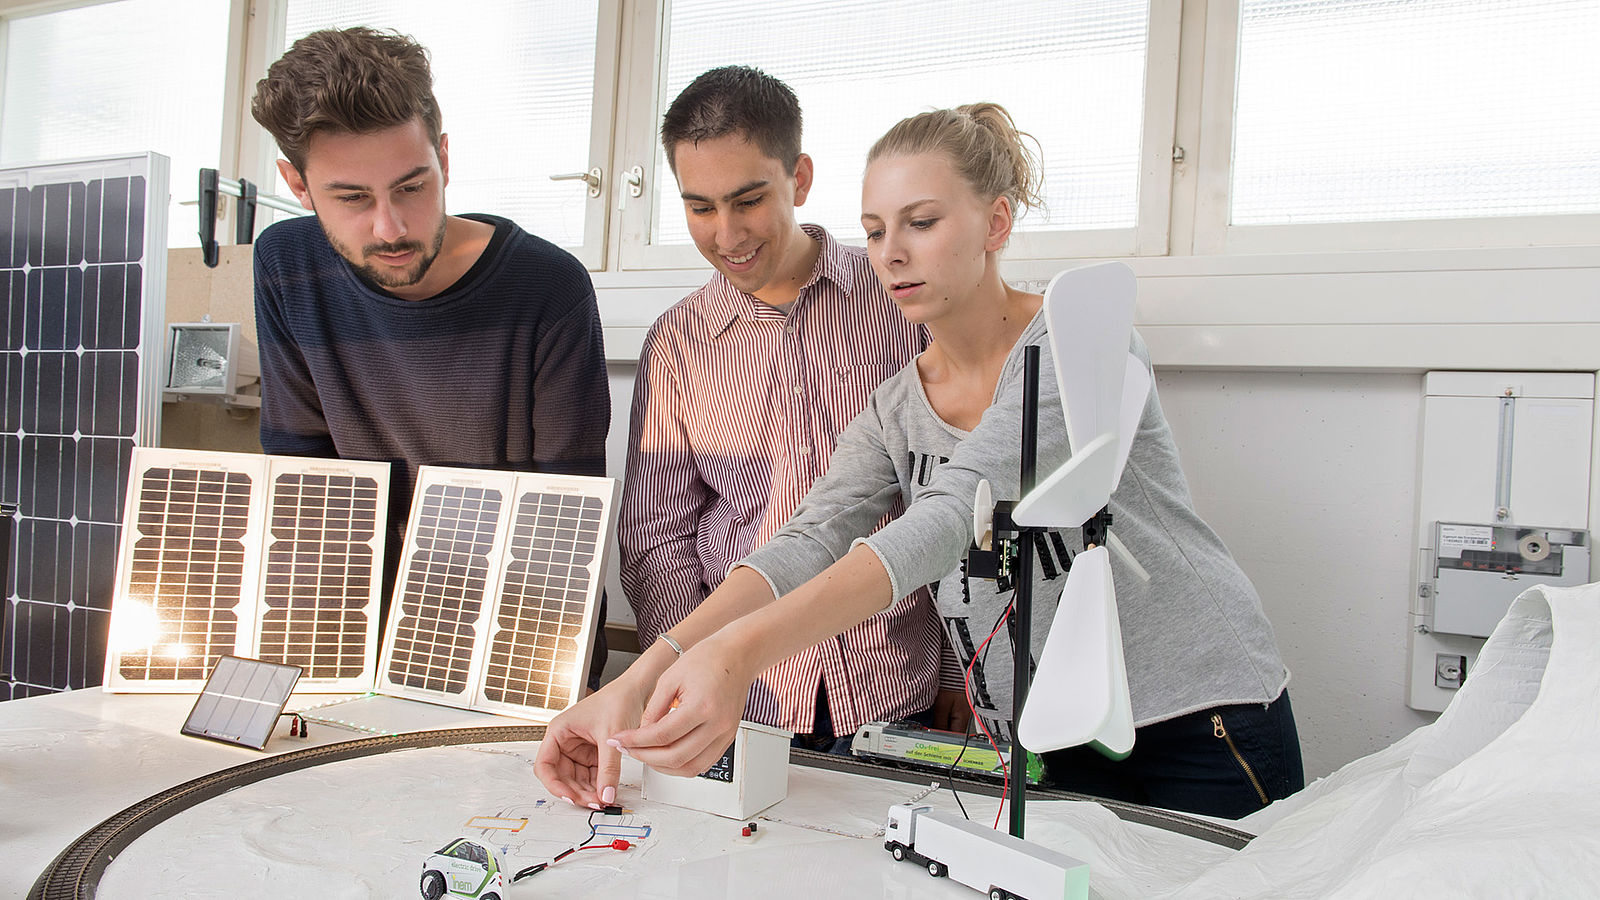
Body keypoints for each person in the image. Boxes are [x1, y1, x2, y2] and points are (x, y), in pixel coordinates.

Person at [535, 103, 1303, 818]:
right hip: (1047, 732)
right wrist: (637, 681)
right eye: (873, 232)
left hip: (1193, 713)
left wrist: (737, 652)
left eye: (922, 223)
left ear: (995, 222)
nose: (892, 254)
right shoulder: (896, 407)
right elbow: (807, 539)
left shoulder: (1075, 346)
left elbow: (945, 520)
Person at [619, 65, 962, 753]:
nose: (726, 234)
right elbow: (657, 540)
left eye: (747, 200)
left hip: (900, 686)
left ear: (799, 178)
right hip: (749, 701)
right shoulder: (677, 343)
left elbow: (955, 496)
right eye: (700, 207)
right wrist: (689, 674)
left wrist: (963, 671)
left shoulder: (901, 299)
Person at [250, 27, 611, 682]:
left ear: (444, 156)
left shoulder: (548, 288)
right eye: (352, 198)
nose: (390, 227)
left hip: (521, 631)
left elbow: (562, 529)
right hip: (356, 628)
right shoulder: (286, 266)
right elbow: (305, 484)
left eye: (412, 187)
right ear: (297, 185)